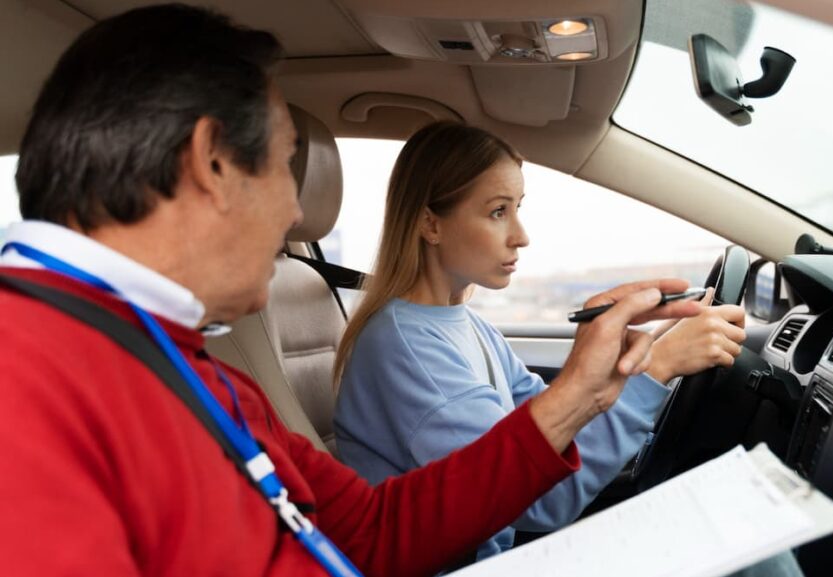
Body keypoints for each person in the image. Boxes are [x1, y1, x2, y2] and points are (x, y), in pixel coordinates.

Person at [0, 5, 703, 577]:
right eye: (283, 169)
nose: (296, 215)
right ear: (212, 162)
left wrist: (582, 388)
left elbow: (374, 530)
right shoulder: (25, 380)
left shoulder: (196, 370)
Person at [332, 122, 749, 561]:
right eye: (498, 211)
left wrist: (640, 353)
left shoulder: (464, 326)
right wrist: (656, 368)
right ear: (430, 224)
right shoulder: (408, 348)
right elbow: (536, 497)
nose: (521, 235)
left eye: (518, 208)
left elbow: (547, 418)